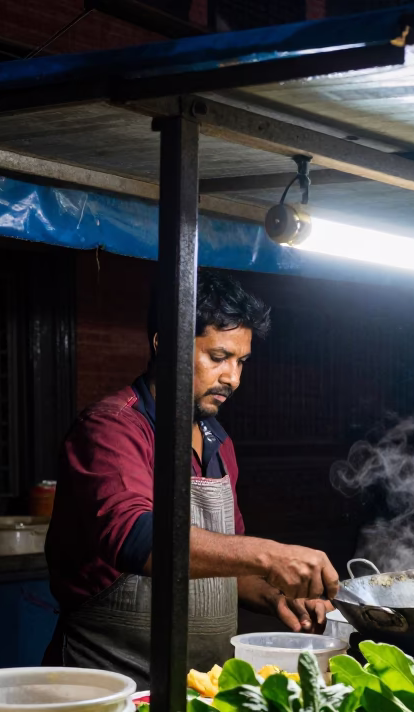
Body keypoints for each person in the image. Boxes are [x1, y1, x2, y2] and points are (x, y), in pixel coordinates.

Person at [44, 270, 339, 686]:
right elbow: (133, 537)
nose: (233, 378)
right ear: (165, 345)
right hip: (110, 690)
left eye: (241, 362)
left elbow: (225, 563)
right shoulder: (112, 428)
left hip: (198, 691)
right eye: (218, 358)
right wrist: (271, 555)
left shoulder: (217, 439)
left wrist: (277, 595)